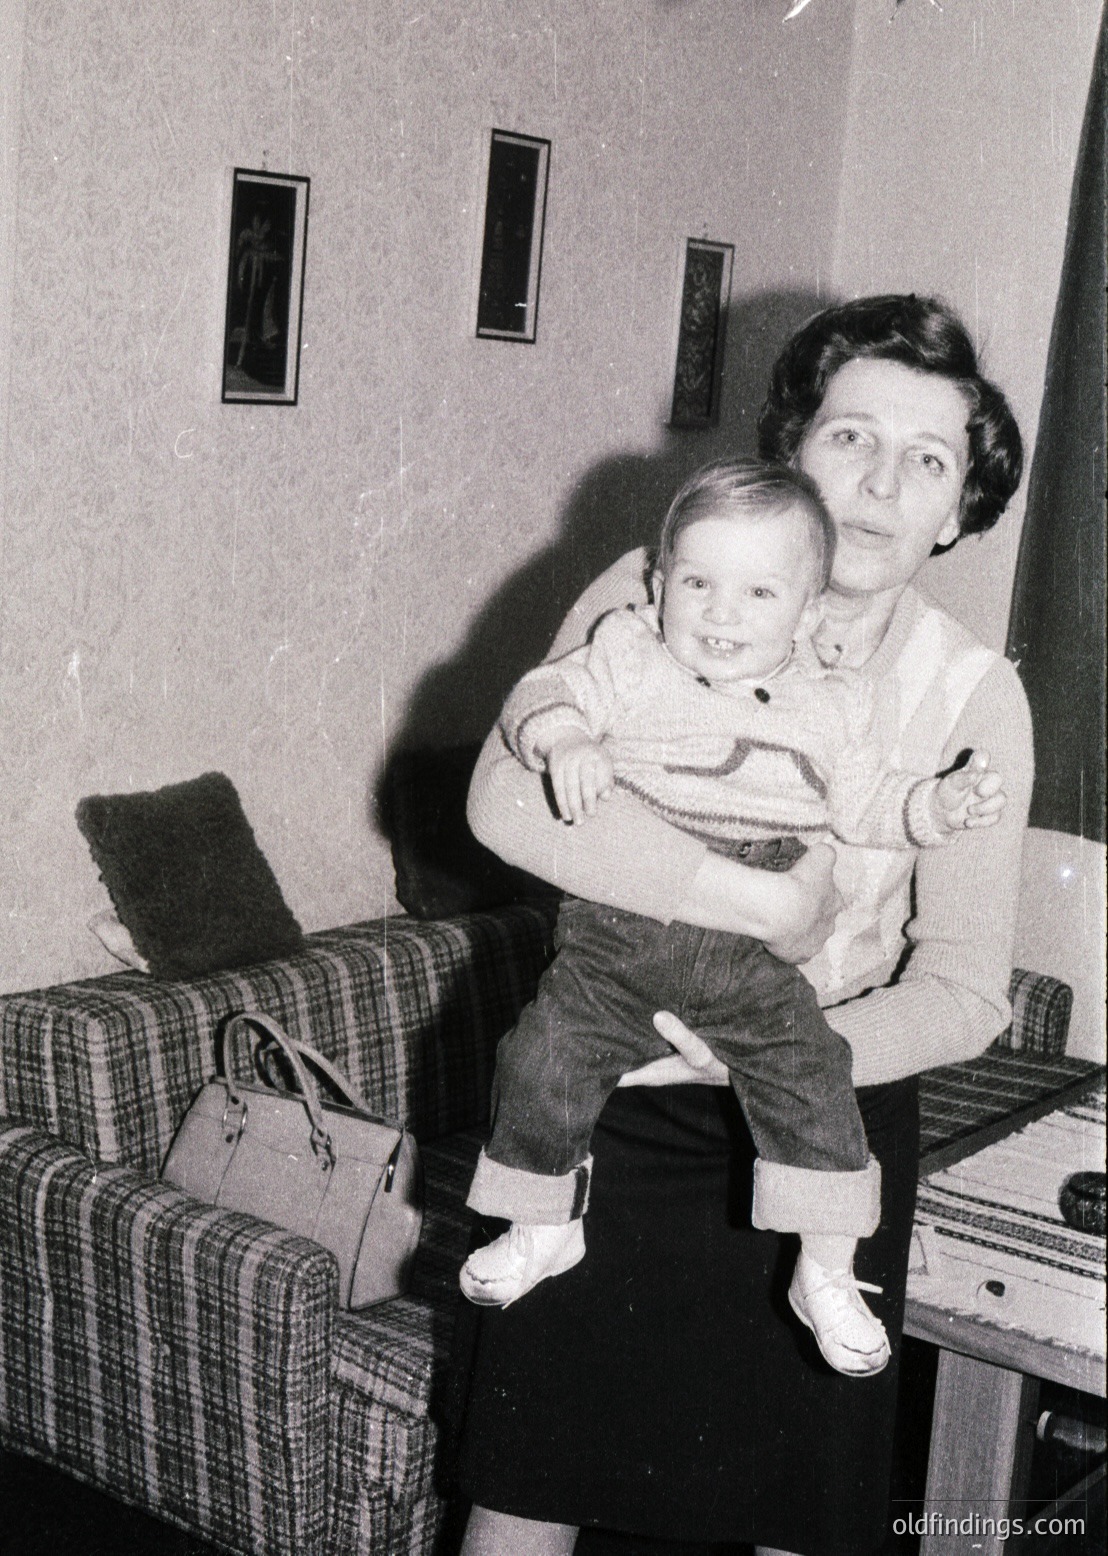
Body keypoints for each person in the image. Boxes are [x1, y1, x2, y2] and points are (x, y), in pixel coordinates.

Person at [452, 294, 1030, 1556]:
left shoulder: (974, 693)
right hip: (609, 1100)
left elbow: (967, 989)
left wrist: (767, 1056)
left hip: (820, 1110)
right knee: (530, 1475)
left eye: (927, 460)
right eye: (850, 436)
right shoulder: (664, 588)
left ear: (959, 509)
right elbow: (504, 795)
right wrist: (760, 901)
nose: (881, 484)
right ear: (793, 450)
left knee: (795, 1509)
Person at [459, 459, 1006, 1381]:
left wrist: (938, 809)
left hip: (751, 965)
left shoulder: (835, 703)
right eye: (698, 583)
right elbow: (538, 698)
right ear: (659, 583)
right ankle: (542, 1223)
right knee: (538, 1061)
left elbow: (869, 803)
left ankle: (826, 1269)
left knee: (814, 1078)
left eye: (758, 593)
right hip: (616, 939)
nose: (721, 613)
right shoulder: (628, 651)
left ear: (807, 613)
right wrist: (569, 739)